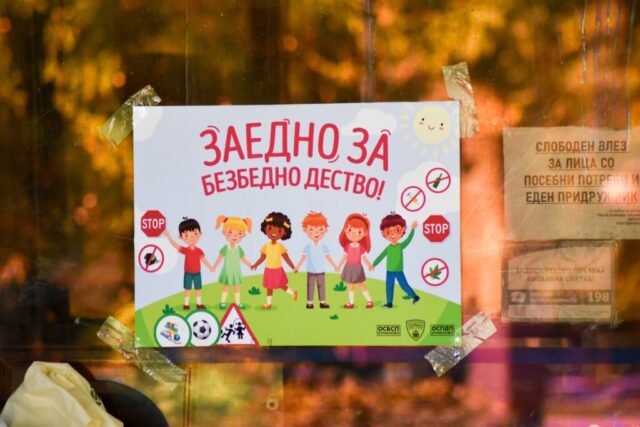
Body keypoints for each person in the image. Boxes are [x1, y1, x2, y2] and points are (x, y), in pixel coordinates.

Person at [163, 217, 214, 310]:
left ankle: (199, 304)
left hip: (197, 273)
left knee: (198, 289)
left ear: (200, 233)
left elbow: (204, 260)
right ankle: (186, 304)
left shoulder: (199, 251)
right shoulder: (185, 250)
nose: (191, 237)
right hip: (188, 273)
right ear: (180, 237)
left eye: (195, 234)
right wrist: (168, 236)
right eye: (186, 235)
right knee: (187, 289)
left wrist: (210, 266)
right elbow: (175, 245)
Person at [251, 211, 298, 309]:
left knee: (281, 286)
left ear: (284, 233)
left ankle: (293, 292)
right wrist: (255, 264)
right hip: (268, 270)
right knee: (269, 287)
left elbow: (286, 258)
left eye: (279, 231)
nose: (274, 232)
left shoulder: (280, 246)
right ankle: (268, 304)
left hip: (277, 270)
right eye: (270, 228)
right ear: (265, 229)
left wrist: (293, 267)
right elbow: (262, 258)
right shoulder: (266, 246)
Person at [372, 213, 420, 308]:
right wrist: (373, 264)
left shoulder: (400, 246)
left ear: (403, 230)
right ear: (384, 233)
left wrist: (413, 229)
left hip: (398, 270)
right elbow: (381, 256)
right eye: (388, 232)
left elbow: (408, 240)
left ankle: (415, 296)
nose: (393, 234)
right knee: (389, 286)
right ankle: (389, 303)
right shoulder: (388, 248)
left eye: (397, 230)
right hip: (389, 270)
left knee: (403, 285)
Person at [294, 212, 338, 309]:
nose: (316, 233)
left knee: (321, 286)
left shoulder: (323, 246)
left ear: (325, 230)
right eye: (311, 230)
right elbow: (303, 258)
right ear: (305, 230)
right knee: (310, 286)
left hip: (321, 270)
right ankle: (309, 303)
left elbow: (328, 257)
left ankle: (322, 302)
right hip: (310, 271)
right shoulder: (308, 246)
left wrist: (335, 265)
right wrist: (297, 267)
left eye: (320, 229)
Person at [211, 216, 253, 310]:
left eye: (239, 234)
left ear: (243, 236)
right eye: (230, 233)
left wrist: (250, 265)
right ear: (224, 233)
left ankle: (238, 303)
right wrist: (214, 267)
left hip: (236, 271)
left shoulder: (239, 249)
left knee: (237, 287)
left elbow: (243, 259)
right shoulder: (225, 248)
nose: (234, 236)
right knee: (226, 287)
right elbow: (219, 258)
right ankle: (222, 303)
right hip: (227, 271)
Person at [336, 213, 374, 309]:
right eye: (350, 230)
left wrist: (369, 265)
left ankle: (369, 301)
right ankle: (351, 303)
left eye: (359, 232)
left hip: (358, 268)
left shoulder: (361, 247)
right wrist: (339, 266)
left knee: (361, 285)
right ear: (345, 230)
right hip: (348, 268)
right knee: (350, 286)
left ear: (365, 233)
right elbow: (344, 257)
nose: (353, 234)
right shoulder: (346, 247)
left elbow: (364, 258)